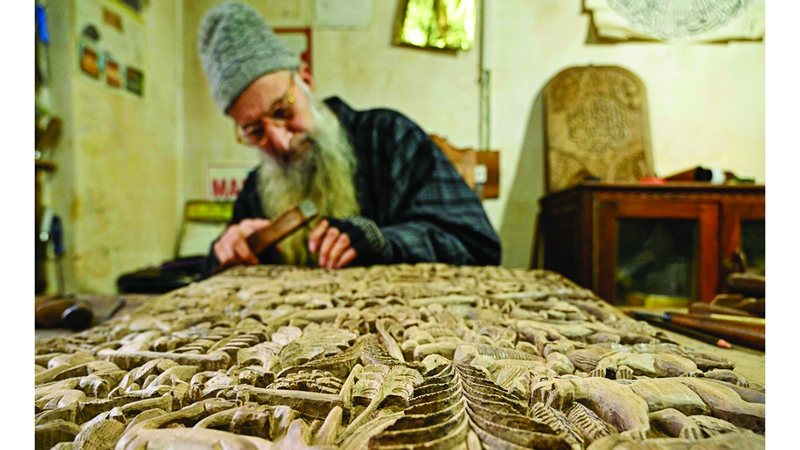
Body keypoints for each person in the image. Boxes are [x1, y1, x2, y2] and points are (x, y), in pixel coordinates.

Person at [198, 1, 501, 277]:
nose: (280, 141)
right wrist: (229, 253)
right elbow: (209, 280)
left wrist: (383, 242)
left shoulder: (390, 138)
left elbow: (478, 246)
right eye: (254, 130)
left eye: (282, 110)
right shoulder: (257, 190)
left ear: (306, 81)